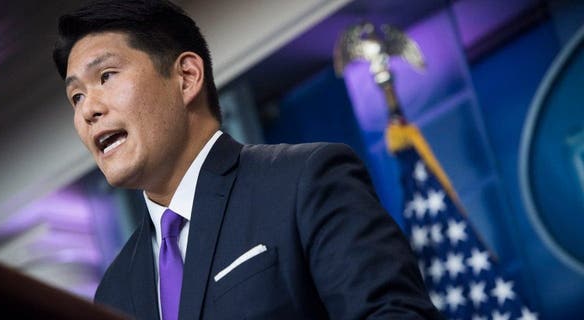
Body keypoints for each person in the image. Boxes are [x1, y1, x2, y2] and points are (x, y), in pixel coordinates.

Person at [52, 0, 442, 319]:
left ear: (186, 77)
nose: (88, 110)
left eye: (105, 77)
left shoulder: (303, 180)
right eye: (77, 97)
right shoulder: (114, 290)